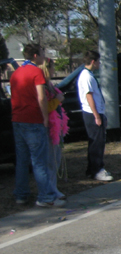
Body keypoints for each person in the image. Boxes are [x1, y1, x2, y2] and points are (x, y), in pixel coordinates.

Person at [10, 43, 65, 207]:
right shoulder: (36, 71)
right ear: (35, 55)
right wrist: (44, 117)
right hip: (33, 120)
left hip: (17, 119)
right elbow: (41, 97)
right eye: (42, 53)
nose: (44, 56)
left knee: (22, 159)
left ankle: (21, 194)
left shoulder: (16, 72)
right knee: (39, 160)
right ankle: (46, 197)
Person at [78, 50, 113, 181]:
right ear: (93, 62)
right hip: (92, 113)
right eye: (98, 61)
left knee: (97, 142)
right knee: (97, 143)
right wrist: (96, 115)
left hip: (96, 112)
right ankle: (97, 170)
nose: (99, 64)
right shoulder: (86, 76)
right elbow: (89, 96)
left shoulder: (89, 75)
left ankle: (91, 168)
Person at [38, 56, 68, 199]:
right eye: (52, 67)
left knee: (55, 158)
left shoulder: (49, 85)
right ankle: (50, 190)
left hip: (56, 125)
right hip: (49, 126)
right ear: (47, 68)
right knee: (50, 160)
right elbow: (46, 106)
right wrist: (58, 99)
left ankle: (53, 188)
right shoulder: (42, 86)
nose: (54, 70)